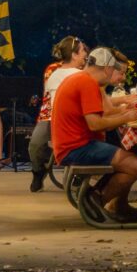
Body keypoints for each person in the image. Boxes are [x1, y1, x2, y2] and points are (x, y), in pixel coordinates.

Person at [51, 47, 137, 222]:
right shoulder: (87, 83)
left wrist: (123, 115)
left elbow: (101, 117)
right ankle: (96, 201)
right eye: (112, 71)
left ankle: (107, 200)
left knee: (130, 154)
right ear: (107, 68)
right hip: (76, 148)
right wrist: (126, 116)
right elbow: (95, 124)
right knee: (135, 164)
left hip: (71, 144)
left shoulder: (79, 79)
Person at [28, 36, 87, 191]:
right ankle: (38, 171)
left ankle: (81, 174)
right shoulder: (52, 70)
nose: (85, 55)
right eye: (82, 51)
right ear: (73, 54)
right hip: (50, 114)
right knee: (35, 143)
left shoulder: (85, 71)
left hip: (75, 115)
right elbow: (48, 96)